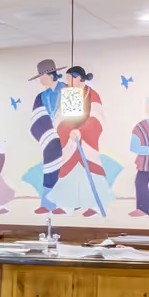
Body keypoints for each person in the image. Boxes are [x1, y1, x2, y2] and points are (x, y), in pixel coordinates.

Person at [47, 65, 108, 217]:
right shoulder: (68, 95)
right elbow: (60, 118)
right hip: (70, 141)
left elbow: (97, 117)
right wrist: (68, 130)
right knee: (68, 171)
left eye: (70, 78)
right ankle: (67, 204)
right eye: (66, 78)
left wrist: (81, 131)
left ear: (80, 78)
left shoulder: (92, 94)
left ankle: (93, 205)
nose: (67, 81)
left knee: (90, 171)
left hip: (86, 141)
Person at [26, 59, 63, 213]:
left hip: (66, 137)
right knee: (49, 169)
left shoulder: (68, 91)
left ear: (49, 74)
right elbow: (36, 121)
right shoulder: (41, 97)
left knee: (66, 170)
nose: (40, 80)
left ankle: (64, 204)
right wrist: (49, 132)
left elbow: (77, 118)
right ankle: (48, 204)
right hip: (49, 139)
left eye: (41, 76)